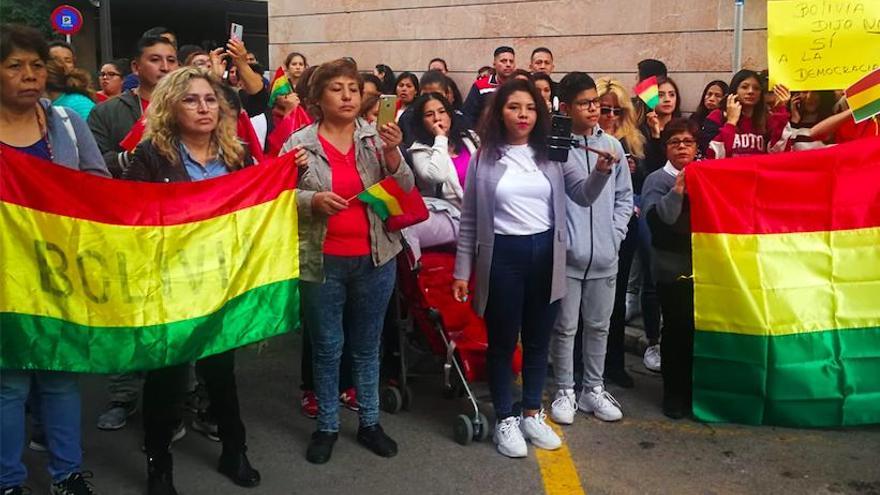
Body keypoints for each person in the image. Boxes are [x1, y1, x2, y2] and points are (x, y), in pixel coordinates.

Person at [452, 78, 614, 458]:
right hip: (502, 255)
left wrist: (602, 171)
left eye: (529, 108)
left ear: (538, 113)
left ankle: (531, 412)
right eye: (513, 107)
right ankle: (505, 418)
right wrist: (462, 270)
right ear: (500, 112)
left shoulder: (552, 154)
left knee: (540, 340)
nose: (522, 115)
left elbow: (583, 196)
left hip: (547, 254)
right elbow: (470, 220)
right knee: (504, 342)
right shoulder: (484, 157)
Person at [124, 66, 262, 494]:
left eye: (209, 99)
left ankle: (234, 450)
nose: (203, 107)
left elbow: (258, 208)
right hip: (170, 285)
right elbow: (131, 220)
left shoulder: (238, 154)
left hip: (222, 281)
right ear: (170, 107)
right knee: (166, 379)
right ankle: (158, 465)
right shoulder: (151, 156)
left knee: (221, 371)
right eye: (190, 99)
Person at [280, 58, 414, 465]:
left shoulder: (376, 139)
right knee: (326, 347)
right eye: (336, 88)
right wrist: (311, 200)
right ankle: (327, 427)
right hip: (322, 262)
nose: (347, 95)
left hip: (376, 258)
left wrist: (393, 154)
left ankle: (370, 422)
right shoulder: (299, 143)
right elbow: (278, 198)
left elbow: (405, 188)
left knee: (367, 346)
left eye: (353, 89)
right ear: (318, 98)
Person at [0, 23, 110, 495]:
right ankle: (10, 480)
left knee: (62, 380)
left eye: (37, 65)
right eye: (14, 66)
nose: (30, 75)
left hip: (60, 273)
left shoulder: (66, 123)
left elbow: (98, 184)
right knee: (9, 386)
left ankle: (67, 475)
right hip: (5, 279)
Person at [548, 72, 633, 425]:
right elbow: (566, 196)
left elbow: (624, 197)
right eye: (584, 103)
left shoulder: (612, 146)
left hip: (605, 258)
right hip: (568, 257)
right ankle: (564, 389)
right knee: (565, 327)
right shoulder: (556, 148)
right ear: (566, 107)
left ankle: (592, 389)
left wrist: (615, 233)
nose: (593, 109)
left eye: (595, 102)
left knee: (599, 325)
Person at [641, 117, 700, 419]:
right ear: (666, 148)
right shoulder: (657, 180)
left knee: (694, 333)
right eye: (675, 142)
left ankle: (692, 391)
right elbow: (657, 223)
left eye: (687, 142)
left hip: (701, 268)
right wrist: (677, 191)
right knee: (675, 331)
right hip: (669, 268)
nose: (681, 148)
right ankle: (673, 393)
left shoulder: (706, 175)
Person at [594, 76, 646, 389]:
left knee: (614, 301)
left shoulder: (634, 142)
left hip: (624, 227)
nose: (611, 116)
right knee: (589, 302)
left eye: (617, 111)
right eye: (605, 109)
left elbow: (644, 185)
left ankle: (613, 363)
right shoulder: (586, 139)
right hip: (591, 227)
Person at [637, 75, 682, 372]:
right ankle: (653, 341)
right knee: (651, 278)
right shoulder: (644, 130)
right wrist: (655, 136)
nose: (666, 99)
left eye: (671, 94)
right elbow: (650, 172)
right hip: (649, 209)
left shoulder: (683, 129)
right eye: (660, 94)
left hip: (680, 221)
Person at [89, 35, 179, 178]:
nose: (165, 67)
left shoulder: (189, 107)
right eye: (155, 60)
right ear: (136, 67)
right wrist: (133, 155)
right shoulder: (105, 111)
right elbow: (94, 162)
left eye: (171, 60)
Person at [404, 92, 479, 261]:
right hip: (451, 215)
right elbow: (436, 175)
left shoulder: (470, 139)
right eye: (429, 115)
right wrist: (440, 138)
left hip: (481, 211)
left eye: (442, 111)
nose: (437, 118)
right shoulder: (420, 149)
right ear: (421, 121)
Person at [703, 69, 790, 159]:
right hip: (728, 171)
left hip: (756, 172)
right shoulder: (716, 116)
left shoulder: (766, 119)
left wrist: (781, 109)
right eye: (744, 87)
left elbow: (779, 152)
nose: (750, 91)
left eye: (756, 88)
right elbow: (713, 155)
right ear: (735, 90)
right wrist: (731, 122)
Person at [461, 46, 516, 127]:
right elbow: (469, 115)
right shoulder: (480, 86)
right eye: (503, 61)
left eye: (511, 61)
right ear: (494, 64)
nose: (508, 64)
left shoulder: (519, 85)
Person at [770, 90, 837, 152]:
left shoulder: (835, 120)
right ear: (795, 96)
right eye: (805, 92)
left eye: (815, 92)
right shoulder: (786, 123)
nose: (809, 97)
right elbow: (778, 151)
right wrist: (794, 122)